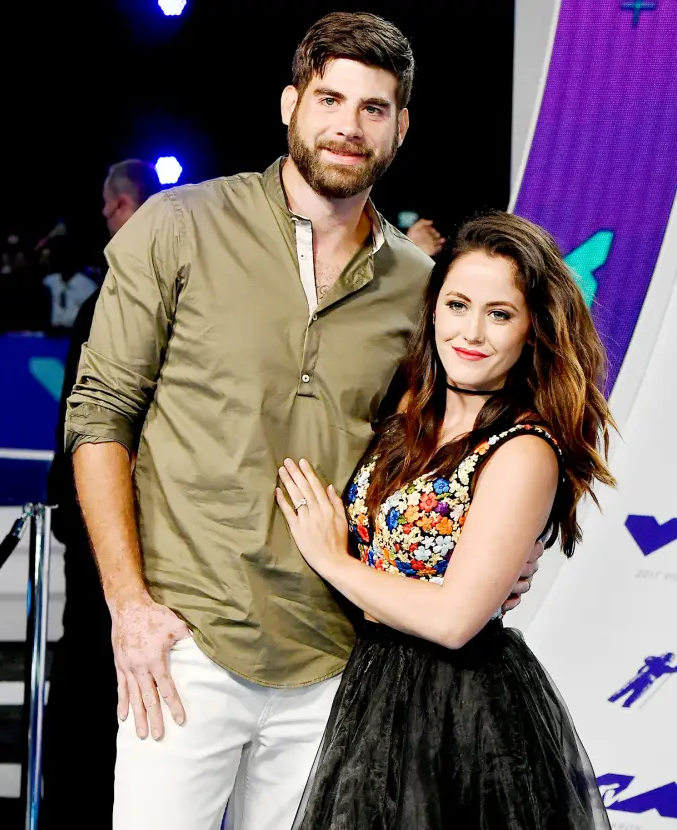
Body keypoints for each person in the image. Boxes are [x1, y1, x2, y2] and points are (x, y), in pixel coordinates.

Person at [63, 13, 540, 829]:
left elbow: (437, 444)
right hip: (185, 645)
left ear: (402, 128)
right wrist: (129, 605)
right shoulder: (179, 226)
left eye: (374, 108)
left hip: (338, 662)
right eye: (330, 99)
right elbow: (101, 414)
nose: (349, 126)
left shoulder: (421, 287)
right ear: (290, 104)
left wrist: (487, 546)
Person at [277, 212, 616, 829]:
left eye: (500, 313)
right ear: (432, 308)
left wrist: (332, 560)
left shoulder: (523, 450)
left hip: (459, 712)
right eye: (458, 304)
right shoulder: (408, 412)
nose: (472, 332)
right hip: (367, 691)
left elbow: (455, 620)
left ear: (530, 330)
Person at [41, 159, 161, 828]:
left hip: (110, 524)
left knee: (93, 675)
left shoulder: (113, 297)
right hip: (117, 523)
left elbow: (85, 423)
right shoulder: (120, 296)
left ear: (120, 208)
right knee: (98, 679)